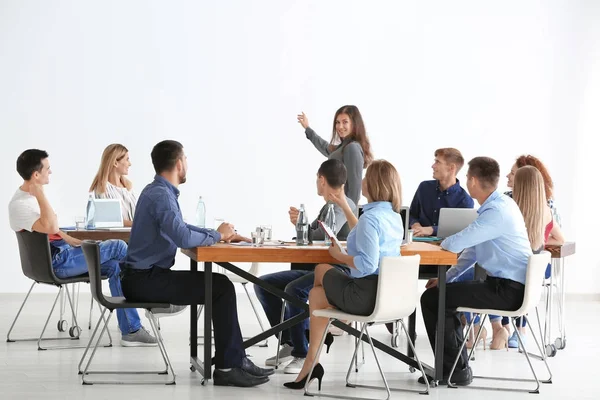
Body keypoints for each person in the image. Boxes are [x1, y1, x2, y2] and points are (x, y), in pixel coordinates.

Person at [119, 140, 272, 388]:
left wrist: (218, 233)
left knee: (219, 284)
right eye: (186, 159)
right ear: (179, 164)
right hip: (144, 281)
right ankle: (229, 365)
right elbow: (182, 237)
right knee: (220, 287)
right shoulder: (161, 195)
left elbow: (183, 228)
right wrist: (218, 235)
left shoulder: (158, 191)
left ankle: (233, 360)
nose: (187, 164)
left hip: (142, 277)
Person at [8, 149, 157, 347]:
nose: (50, 172)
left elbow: (50, 229)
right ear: (36, 175)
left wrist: (69, 238)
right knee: (118, 246)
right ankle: (155, 294)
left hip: (63, 253)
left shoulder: (30, 199)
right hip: (56, 263)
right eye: (47, 169)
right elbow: (50, 225)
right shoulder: (22, 203)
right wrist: (40, 193)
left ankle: (131, 330)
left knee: (115, 266)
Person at [284, 160, 404, 390]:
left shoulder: (371, 219)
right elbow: (363, 234)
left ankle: (332, 326)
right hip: (385, 294)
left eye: (366, 178)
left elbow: (367, 264)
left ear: (375, 184)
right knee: (317, 295)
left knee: (321, 269)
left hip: (365, 296)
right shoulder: (391, 216)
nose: (361, 181)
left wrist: (339, 256)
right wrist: (347, 208)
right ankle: (312, 362)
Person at [420, 157, 532, 386]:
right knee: (438, 294)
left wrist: (443, 245)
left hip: (508, 291)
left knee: (434, 299)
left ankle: (453, 372)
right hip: (504, 286)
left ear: (472, 180)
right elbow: (471, 252)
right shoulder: (498, 206)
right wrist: (445, 279)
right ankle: (455, 369)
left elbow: (455, 244)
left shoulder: (496, 213)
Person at [254, 159, 357, 374]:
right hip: (317, 268)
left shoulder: (340, 206)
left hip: (336, 272)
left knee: (294, 290)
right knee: (264, 283)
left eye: (317, 179)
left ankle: (302, 353)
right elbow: (317, 235)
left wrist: (304, 226)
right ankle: (290, 342)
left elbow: (321, 236)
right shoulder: (329, 205)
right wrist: (300, 224)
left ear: (321, 179)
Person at [498, 166, 565, 348]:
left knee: (496, 270)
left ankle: (501, 327)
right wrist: (543, 237)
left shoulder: (508, 210)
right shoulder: (546, 212)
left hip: (510, 273)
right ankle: (519, 331)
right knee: (518, 274)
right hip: (535, 271)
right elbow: (560, 238)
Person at [297, 105, 373, 205]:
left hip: (342, 212)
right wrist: (307, 128)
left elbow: (354, 191)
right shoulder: (344, 147)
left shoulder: (352, 148)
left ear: (354, 124)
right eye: (337, 122)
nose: (340, 126)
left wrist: (347, 215)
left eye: (345, 122)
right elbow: (325, 147)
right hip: (336, 207)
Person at [409, 148, 474, 237]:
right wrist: (415, 224)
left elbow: (461, 230)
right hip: (417, 242)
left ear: (451, 168)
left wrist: (431, 230)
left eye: (438, 162)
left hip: (445, 248)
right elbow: (411, 214)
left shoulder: (465, 201)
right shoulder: (424, 187)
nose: (433, 166)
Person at [89, 144, 137, 226]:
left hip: (133, 235)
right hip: (118, 237)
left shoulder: (128, 187)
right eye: (127, 159)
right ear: (115, 163)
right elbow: (112, 221)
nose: (130, 164)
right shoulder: (102, 188)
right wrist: (139, 225)